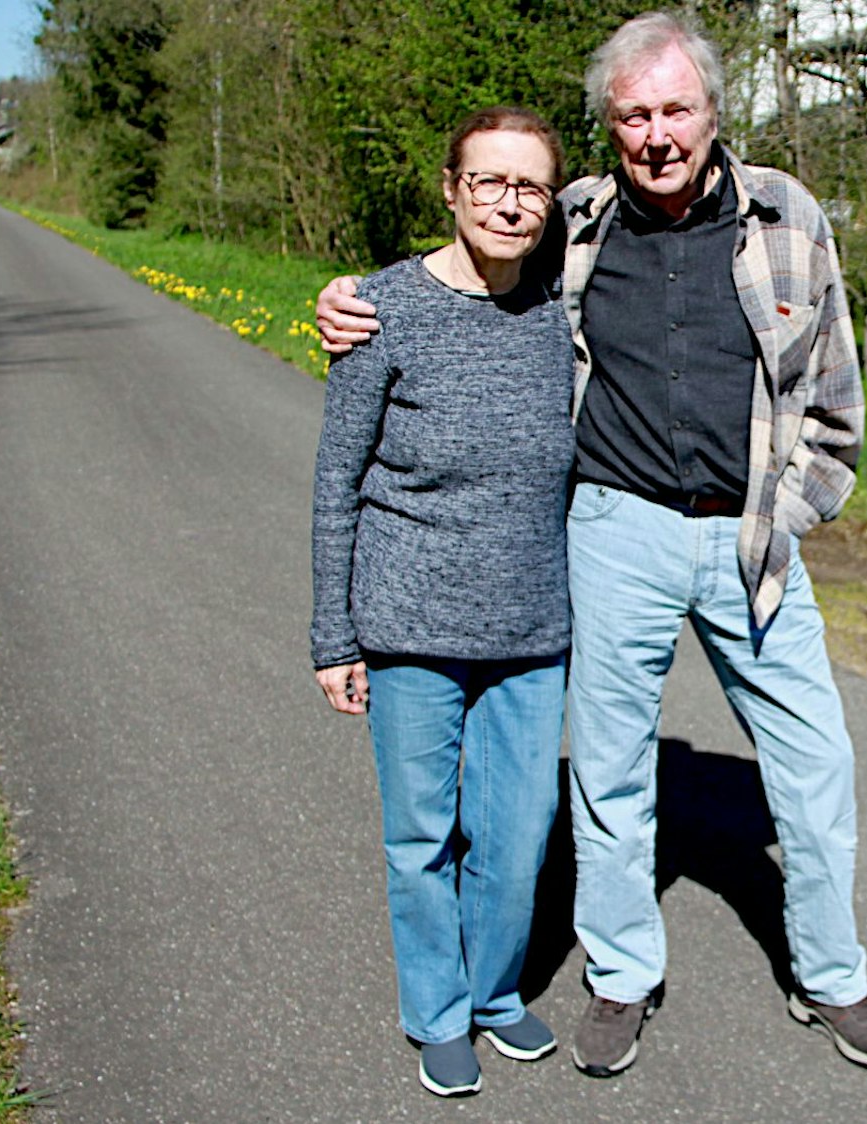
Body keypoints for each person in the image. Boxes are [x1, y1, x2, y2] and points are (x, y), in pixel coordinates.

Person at [317, 11, 867, 1078]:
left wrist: (793, 509)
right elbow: (473, 249)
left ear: (713, 113)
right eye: (632, 115)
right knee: (610, 769)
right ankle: (621, 973)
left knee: (817, 761)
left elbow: (835, 398)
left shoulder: (788, 212)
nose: (656, 133)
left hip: (750, 532)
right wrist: (352, 301)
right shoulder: (575, 217)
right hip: (614, 527)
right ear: (610, 127)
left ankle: (831, 973)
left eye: (675, 108)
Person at [310, 106, 574, 1098]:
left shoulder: (560, 308)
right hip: (407, 624)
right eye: (491, 181)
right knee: (422, 835)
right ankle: (436, 1009)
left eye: (531, 186)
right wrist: (332, 633)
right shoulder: (379, 309)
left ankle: (496, 991)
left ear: (550, 201)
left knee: (517, 835)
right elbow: (335, 484)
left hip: (532, 627)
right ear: (452, 188)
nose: (511, 201)